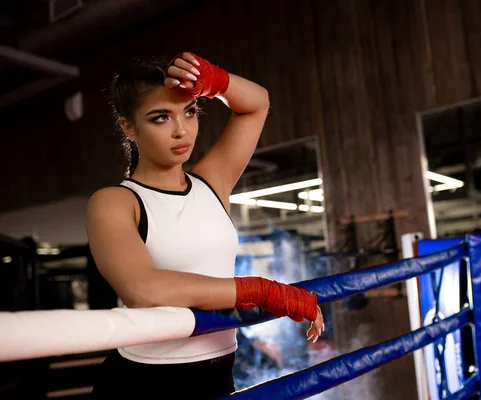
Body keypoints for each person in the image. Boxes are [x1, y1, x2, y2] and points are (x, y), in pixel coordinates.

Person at [86, 52, 324, 398]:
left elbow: (257, 103)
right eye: (160, 118)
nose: (181, 130)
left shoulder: (212, 182)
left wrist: (213, 80)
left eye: (190, 111)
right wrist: (262, 292)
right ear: (129, 127)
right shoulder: (114, 202)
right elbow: (142, 289)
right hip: (144, 383)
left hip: (219, 372)